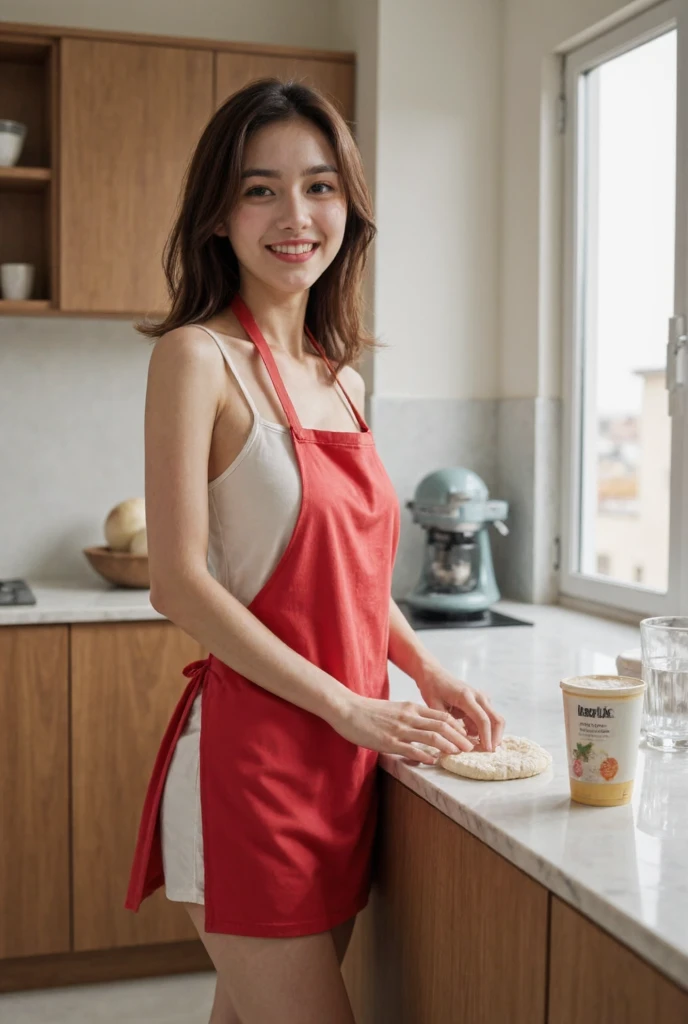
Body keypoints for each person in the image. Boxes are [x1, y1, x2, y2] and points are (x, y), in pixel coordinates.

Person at [124, 78, 505, 1024]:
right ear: (219, 213)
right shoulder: (196, 359)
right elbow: (179, 582)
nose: (295, 214)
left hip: (344, 762)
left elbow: (356, 577)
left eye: (320, 185)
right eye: (260, 189)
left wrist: (425, 671)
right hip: (254, 768)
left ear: (350, 206)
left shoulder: (347, 383)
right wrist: (351, 707)